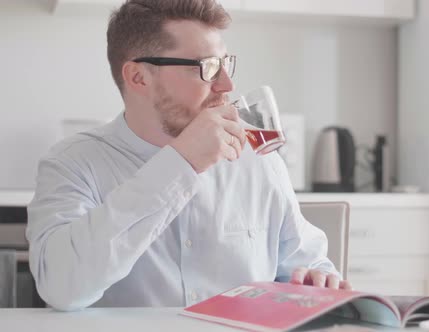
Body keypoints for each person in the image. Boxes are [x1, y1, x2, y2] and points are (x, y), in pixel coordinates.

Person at [26, 0, 350, 311]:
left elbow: (303, 262)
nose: (226, 84)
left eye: (225, 63)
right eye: (207, 68)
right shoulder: (72, 163)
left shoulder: (258, 159)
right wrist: (180, 164)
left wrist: (315, 278)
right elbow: (61, 288)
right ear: (139, 77)